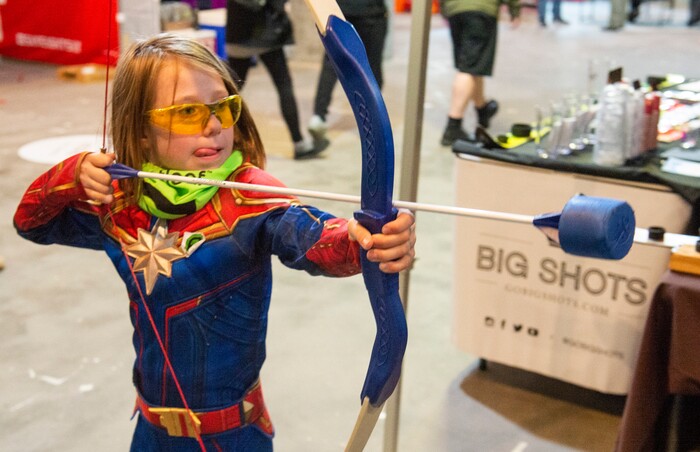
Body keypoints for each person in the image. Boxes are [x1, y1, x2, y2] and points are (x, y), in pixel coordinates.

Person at [13, 34, 416, 450]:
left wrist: (370, 239)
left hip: (232, 436)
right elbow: (31, 223)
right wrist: (71, 175)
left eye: (223, 107)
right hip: (150, 432)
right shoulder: (121, 204)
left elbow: (319, 240)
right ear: (141, 129)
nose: (214, 125)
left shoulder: (250, 196)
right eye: (187, 112)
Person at [225, 0, 327, 159]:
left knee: (229, 91)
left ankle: (224, 143)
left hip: (238, 32)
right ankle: (299, 144)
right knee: (283, 85)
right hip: (267, 34)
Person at [439, 0, 521, 147]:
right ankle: (453, 127)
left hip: (455, 10)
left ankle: (482, 108)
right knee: (469, 69)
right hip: (480, 10)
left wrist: (445, 8)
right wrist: (514, 10)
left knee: (474, 65)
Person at [307, 0, 388, 146]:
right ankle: (373, 123)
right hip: (371, 14)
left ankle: (319, 116)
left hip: (341, 13)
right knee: (373, 69)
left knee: (330, 64)